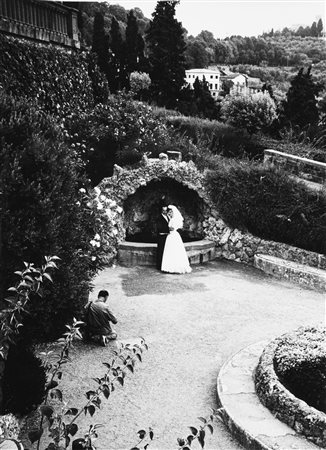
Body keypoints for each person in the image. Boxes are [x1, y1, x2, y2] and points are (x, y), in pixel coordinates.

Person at [161, 205, 192, 274]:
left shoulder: (174, 220)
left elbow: (172, 228)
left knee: (174, 250)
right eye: (169, 212)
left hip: (173, 235)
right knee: (171, 251)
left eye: (171, 212)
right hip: (171, 235)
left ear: (174, 212)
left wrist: (167, 229)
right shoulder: (171, 219)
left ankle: (175, 267)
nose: (169, 213)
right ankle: (170, 267)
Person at [156, 200, 170, 270]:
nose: (165, 211)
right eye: (164, 210)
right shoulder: (159, 218)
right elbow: (159, 228)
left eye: (166, 210)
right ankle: (159, 266)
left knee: (166, 251)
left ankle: (165, 265)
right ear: (161, 210)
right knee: (161, 251)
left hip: (167, 236)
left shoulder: (168, 217)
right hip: (162, 236)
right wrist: (168, 230)